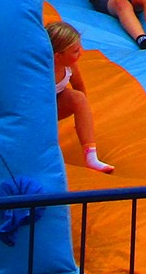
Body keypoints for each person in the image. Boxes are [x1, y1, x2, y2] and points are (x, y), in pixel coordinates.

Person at [46, 20, 114, 172]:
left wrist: (83, 117)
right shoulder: (42, 71)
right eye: (76, 51)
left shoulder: (69, 65)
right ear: (57, 56)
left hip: (54, 104)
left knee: (78, 98)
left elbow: (79, 87)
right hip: (37, 110)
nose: (81, 53)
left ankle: (91, 157)